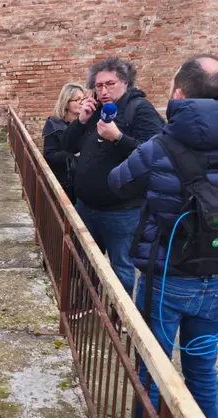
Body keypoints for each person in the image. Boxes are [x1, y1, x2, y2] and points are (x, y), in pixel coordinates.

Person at [107, 55, 218, 418]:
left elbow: (118, 181)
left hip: (167, 278)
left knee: (153, 370)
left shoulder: (162, 145)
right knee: (202, 370)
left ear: (179, 93)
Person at [61, 57, 164, 295]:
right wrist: (81, 121)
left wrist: (118, 138)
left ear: (125, 83)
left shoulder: (140, 109)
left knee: (121, 268)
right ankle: (87, 304)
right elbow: (67, 146)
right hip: (86, 206)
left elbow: (157, 156)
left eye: (110, 84)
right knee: (83, 262)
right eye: (99, 86)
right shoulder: (96, 111)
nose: (104, 91)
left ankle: (117, 314)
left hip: (121, 211)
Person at [42, 83, 85, 203]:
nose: (82, 102)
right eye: (77, 99)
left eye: (83, 99)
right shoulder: (53, 124)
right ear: (66, 102)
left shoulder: (86, 123)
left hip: (83, 181)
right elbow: (49, 155)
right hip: (64, 183)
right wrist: (72, 156)